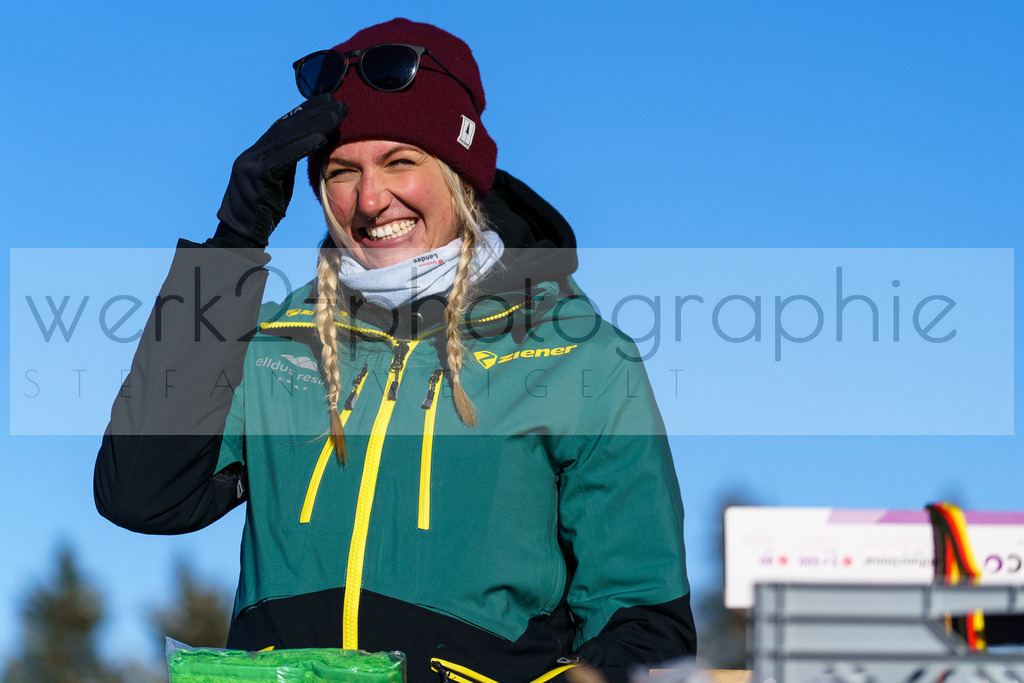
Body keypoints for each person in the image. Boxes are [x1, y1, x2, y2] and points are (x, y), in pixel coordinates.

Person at [95, 18, 696, 683]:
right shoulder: (272, 344)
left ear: (461, 174)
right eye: (342, 172)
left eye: (400, 162)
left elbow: (643, 621)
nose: (371, 200)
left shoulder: (580, 357)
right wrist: (233, 244)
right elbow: (140, 495)